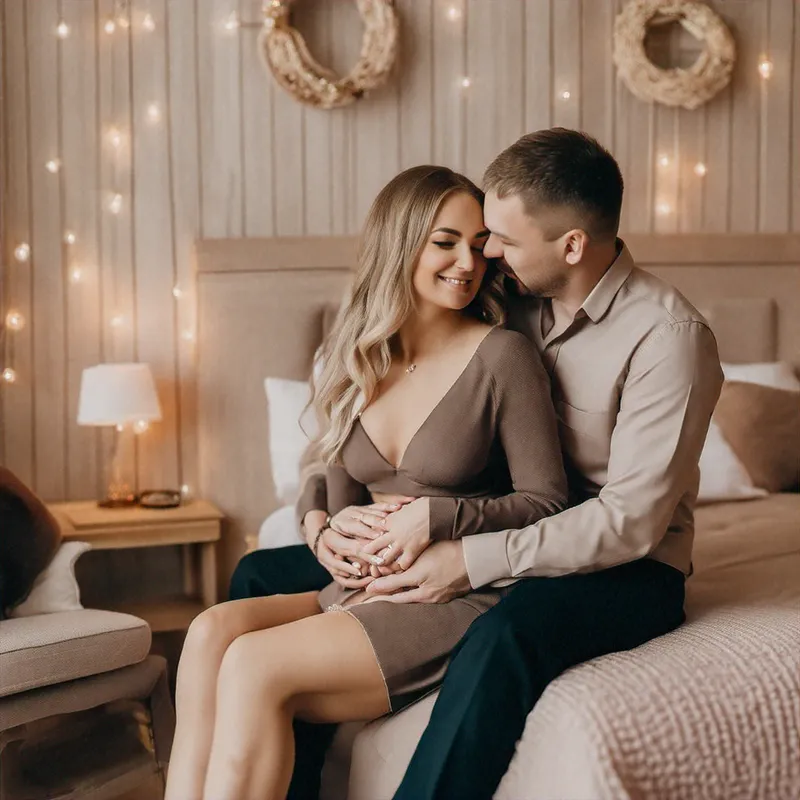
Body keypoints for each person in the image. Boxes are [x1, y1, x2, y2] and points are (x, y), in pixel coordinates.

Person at [230, 127, 725, 800]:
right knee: (260, 571)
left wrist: (466, 559)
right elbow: (361, 420)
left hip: (624, 567)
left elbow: (631, 525)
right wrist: (320, 518)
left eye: (503, 239)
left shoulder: (668, 339)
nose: (484, 253)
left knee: (505, 637)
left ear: (571, 244)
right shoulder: (510, 300)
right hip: (504, 522)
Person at [164, 165, 568, 800]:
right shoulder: (361, 350)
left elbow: (548, 501)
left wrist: (436, 519)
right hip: (363, 582)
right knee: (211, 631)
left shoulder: (502, 357)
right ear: (401, 241)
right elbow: (331, 469)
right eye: (446, 241)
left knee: (253, 664)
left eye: (478, 243)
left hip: (450, 592)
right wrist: (318, 527)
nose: (468, 261)